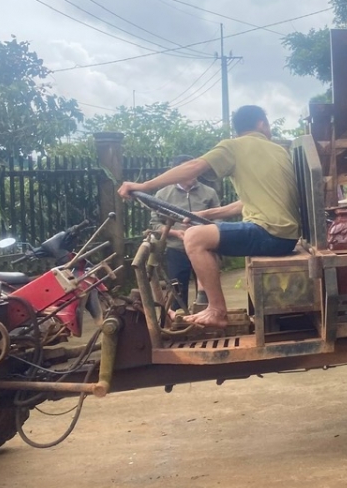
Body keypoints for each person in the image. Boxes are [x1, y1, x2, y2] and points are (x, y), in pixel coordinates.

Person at [118, 105, 301, 328]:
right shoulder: (278, 151)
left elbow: (194, 167)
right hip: (283, 235)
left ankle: (216, 310)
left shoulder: (234, 146)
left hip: (271, 235)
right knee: (202, 231)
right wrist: (205, 213)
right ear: (262, 124)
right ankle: (204, 303)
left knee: (194, 237)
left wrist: (144, 185)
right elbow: (247, 202)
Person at [154, 155, 221, 310]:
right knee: (176, 291)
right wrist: (176, 233)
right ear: (177, 172)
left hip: (206, 249)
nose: (192, 174)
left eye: (193, 170)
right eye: (187, 170)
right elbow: (155, 224)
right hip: (177, 249)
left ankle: (209, 322)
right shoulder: (162, 195)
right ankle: (180, 323)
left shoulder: (209, 193)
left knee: (208, 291)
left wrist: (207, 234)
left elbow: (218, 220)